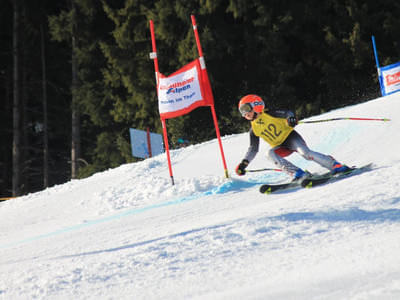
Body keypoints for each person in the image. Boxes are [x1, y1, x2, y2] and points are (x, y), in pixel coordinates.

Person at [235, 94, 350, 182]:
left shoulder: (271, 113)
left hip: (291, 138)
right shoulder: (253, 130)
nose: (245, 114)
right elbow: (253, 149)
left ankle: (334, 165)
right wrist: (244, 163)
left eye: (246, 109)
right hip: (280, 147)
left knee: (306, 153)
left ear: (256, 105)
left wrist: (291, 119)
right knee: (269, 153)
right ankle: (298, 174)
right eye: (242, 112)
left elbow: (287, 113)